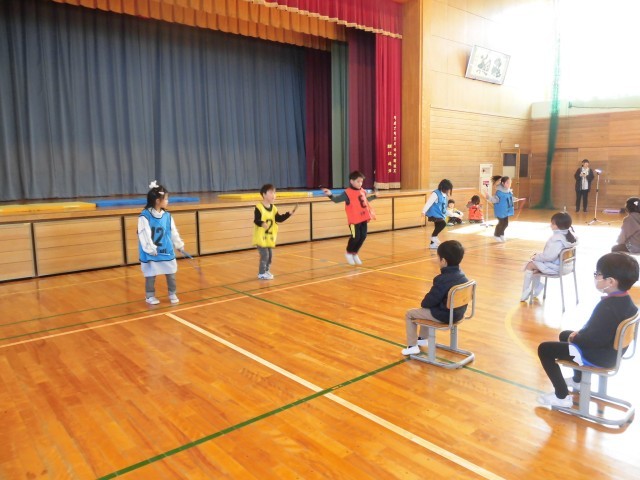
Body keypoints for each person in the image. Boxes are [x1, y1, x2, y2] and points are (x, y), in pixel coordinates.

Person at [537, 252, 639, 407]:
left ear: (610, 281)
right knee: (564, 334)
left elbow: (592, 340)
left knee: (545, 349)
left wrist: (575, 337)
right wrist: (576, 335)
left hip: (597, 356)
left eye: (598, 274)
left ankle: (562, 396)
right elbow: (598, 333)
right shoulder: (626, 301)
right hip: (612, 353)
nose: (596, 277)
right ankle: (578, 380)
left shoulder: (607, 307)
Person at [402, 240, 469, 355]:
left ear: (443, 261)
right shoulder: (463, 276)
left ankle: (412, 346)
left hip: (444, 316)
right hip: (458, 313)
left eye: (438, 257)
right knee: (427, 309)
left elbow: (427, 302)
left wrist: (425, 302)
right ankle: (422, 339)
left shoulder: (442, 279)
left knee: (410, 314)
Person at [138, 181, 185, 305]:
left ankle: (172, 293)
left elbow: (173, 232)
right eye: (166, 198)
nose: (168, 201)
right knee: (150, 274)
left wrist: (178, 244)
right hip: (152, 253)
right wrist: (150, 249)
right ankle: (149, 296)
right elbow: (144, 234)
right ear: (158, 201)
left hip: (166, 250)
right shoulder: (145, 216)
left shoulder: (167, 216)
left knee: (171, 273)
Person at [322, 171, 377, 265]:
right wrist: (330, 194)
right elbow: (336, 200)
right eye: (358, 181)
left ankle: (355, 253)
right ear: (351, 181)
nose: (360, 183)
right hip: (354, 221)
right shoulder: (347, 193)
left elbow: (365, 201)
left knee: (363, 236)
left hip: (363, 218)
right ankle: (348, 253)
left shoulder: (362, 191)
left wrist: (374, 196)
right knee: (355, 237)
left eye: (361, 181)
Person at [520, 212, 577, 302]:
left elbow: (549, 257)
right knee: (535, 268)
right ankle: (536, 289)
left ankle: (526, 291)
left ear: (558, 226)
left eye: (553, 223)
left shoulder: (557, 239)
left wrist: (536, 257)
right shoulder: (569, 236)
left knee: (530, 265)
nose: (550, 225)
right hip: (568, 266)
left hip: (558, 268)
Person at [253, 184, 298, 280]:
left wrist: (288, 214)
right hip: (261, 237)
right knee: (265, 255)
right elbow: (256, 220)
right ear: (264, 194)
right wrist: (262, 223)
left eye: (274, 193)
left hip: (269, 237)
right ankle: (261, 273)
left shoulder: (273, 208)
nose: (274, 195)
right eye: (271, 193)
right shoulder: (259, 207)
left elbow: (279, 219)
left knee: (270, 256)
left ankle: (266, 271)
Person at [484, 175, 521, 242]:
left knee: (505, 224)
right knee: (501, 223)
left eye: (510, 182)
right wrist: (489, 197)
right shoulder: (499, 192)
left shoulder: (508, 191)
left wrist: (515, 199)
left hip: (506, 211)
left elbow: (509, 198)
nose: (509, 184)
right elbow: (495, 200)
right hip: (500, 211)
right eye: (507, 183)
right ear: (503, 183)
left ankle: (501, 234)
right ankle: (496, 235)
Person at [421, 179, 453, 249]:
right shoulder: (435, 193)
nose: (448, 190)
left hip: (439, 213)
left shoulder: (445, 195)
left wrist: (450, 213)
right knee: (443, 224)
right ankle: (433, 237)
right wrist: (423, 211)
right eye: (447, 189)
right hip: (434, 214)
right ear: (442, 187)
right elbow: (429, 203)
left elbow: (443, 207)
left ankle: (432, 244)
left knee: (437, 227)